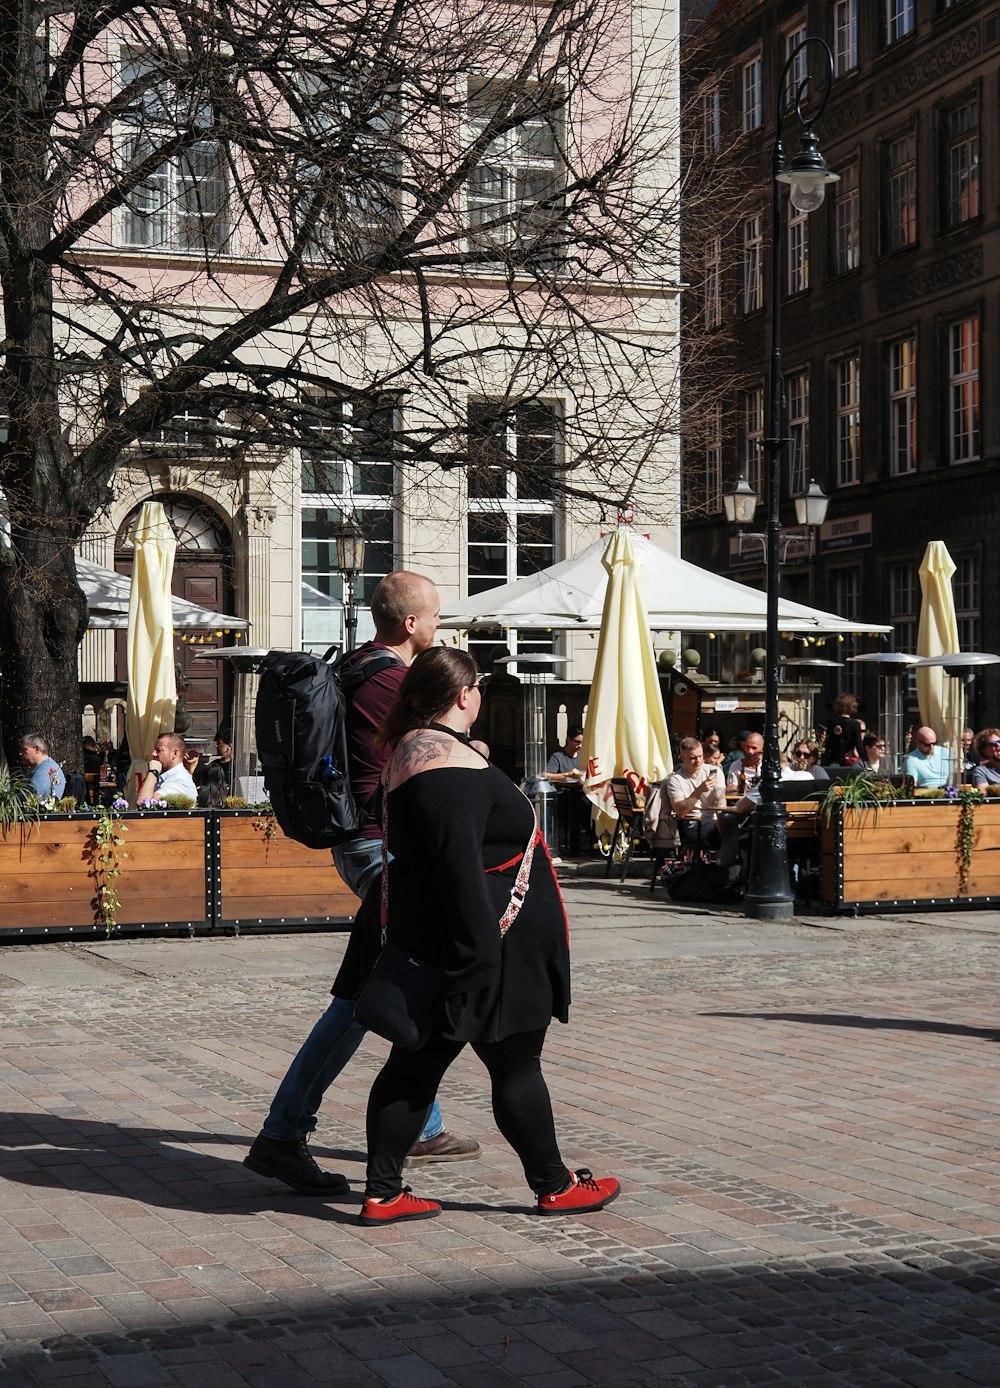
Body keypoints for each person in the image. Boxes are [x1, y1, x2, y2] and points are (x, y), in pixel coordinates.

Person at [353, 646, 620, 1225]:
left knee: (419, 1065)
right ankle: (553, 1185)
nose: (479, 696)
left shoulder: (420, 751)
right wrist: (478, 957)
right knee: (511, 1065)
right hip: (485, 943)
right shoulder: (443, 764)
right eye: (477, 687)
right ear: (462, 694)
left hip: (464, 937)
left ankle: (384, 1192)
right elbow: (457, 865)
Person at [244, 571, 479, 1198]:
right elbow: (415, 761)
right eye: (434, 617)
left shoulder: (357, 667)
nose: (438, 627)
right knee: (361, 996)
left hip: (372, 841)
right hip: (381, 845)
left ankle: (416, 1125)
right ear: (410, 624)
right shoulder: (389, 682)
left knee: (399, 978)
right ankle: (284, 1132)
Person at [665, 737, 725, 855]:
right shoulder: (676, 779)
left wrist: (721, 819)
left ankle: (731, 869)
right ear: (682, 758)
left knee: (738, 830)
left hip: (714, 821)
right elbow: (681, 811)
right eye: (692, 758)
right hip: (694, 824)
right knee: (725, 835)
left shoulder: (714, 771)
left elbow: (720, 799)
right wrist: (700, 790)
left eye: (700, 756)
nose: (698, 761)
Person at [545, 726, 588, 855]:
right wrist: (567, 774)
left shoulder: (583, 757)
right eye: (577, 742)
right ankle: (574, 847)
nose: (579, 746)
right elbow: (547, 775)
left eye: (582, 743)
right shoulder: (558, 757)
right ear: (568, 740)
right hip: (564, 795)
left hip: (581, 793)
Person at [136, 733, 198, 803]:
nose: (153, 754)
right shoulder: (167, 777)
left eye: (159, 750)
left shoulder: (179, 781)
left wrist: (153, 772)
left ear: (174, 753)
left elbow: (143, 803)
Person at [820, 693, 865, 766]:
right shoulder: (855, 724)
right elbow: (859, 745)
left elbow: (828, 742)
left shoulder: (832, 722)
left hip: (833, 759)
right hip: (848, 760)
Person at [19, 734, 66, 800]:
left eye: (24, 750)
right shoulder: (48, 766)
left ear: (36, 749)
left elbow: (34, 794)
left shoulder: (44, 771)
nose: (20, 753)